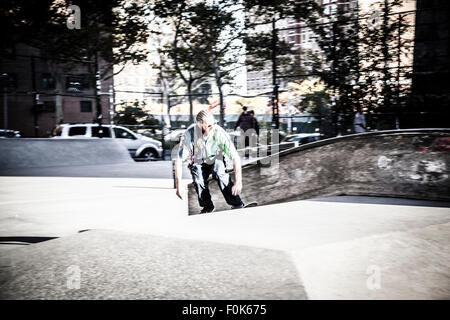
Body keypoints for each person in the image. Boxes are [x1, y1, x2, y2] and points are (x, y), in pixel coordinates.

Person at [174, 110, 244, 213]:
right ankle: (208, 207)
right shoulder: (189, 134)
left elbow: (235, 157)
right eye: (209, 126)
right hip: (198, 161)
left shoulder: (219, 133)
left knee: (219, 171)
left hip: (216, 158)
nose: (213, 127)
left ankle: (237, 204)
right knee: (198, 178)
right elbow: (178, 161)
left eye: (214, 124)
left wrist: (238, 182)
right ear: (200, 124)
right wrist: (178, 185)